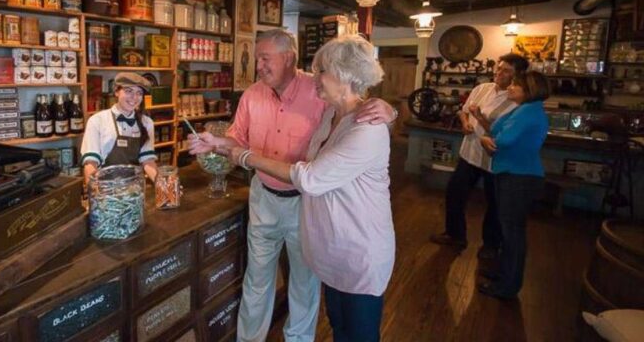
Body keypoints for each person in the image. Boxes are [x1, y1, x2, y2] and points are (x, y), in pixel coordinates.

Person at [188, 29, 396, 342]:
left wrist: (391, 111)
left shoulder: (320, 95)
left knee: (305, 284)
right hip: (269, 201)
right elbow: (238, 139)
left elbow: (358, 113)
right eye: (257, 57)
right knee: (257, 278)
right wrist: (217, 143)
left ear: (289, 58)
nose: (258, 64)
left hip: (307, 207)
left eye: (265, 57)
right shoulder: (256, 96)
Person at [430, 53, 530, 260]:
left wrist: (478, 117)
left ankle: (490, 246)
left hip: (495, 161)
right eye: (499, 68)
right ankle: (455, 234)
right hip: (470, 154)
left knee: (494, 205)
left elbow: (503, 133)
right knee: (454, 194)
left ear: (518, 75)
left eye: (506, 71)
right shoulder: (482, 88)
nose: (499, 73)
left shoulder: (517, 101)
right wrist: (465, 122)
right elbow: (464, 110)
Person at [477, 71, 550, 299]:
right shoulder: (522, 109)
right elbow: (496, 129)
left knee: (512, 234)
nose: (509, 87)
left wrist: (486, 140)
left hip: (518, 177)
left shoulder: (528, 112)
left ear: (528, 90)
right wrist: (488, 136)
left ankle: (508, 286)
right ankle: (505, 276)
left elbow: (502, 140)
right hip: (513, 174)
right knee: (509, 231)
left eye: (515, 86)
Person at [80, 72, 158, 184]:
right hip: (105, 189)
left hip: (134, 189)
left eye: (139, 93)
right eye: (128, 91)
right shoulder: (97, 121)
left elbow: (148, 160)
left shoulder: (147, 122)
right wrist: (95, 194)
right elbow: (91, 163)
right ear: (116, 91)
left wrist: (163, 185)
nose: (134, 97)